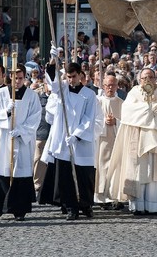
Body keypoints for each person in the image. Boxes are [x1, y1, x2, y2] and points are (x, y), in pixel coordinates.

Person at [106, 67, 157, 216]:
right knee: (138, 173)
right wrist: (148, 111)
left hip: (156, 139)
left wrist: (151, 112)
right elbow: (127, 112)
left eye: (151, 77)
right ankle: (137, 206)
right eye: (145, 77)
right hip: (137, 138)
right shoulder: (134, 93)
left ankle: (152, 206)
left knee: (154, 175)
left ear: (155, 79)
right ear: (139, 80)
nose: (148, 80)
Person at [41, 50, 97, 221]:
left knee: (83, 175)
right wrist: (53, 60)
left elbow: (89, 118)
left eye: (74, 76)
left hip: (81, 142)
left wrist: (77, 135)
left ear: (81, 75)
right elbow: (52, 80)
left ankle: (85, 205)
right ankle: (71, 206)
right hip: (63, 140)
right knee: (65, 176)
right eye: (68, 76)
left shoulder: (89, 95)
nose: (71, 79)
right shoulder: (63, 89)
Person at [0, 65, 41, 221]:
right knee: (3, 171)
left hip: (22, 141)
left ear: (25, 78)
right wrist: (5, 112)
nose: (17, 81)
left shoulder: (32, 96)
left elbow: (35, 117)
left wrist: (22, 130)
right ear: (9, 77)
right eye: (14, 78)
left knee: (21, 173)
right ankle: (0, 206)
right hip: (4, 138)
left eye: (20, 78)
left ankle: (20, 209)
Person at [94, 75, 123, 206]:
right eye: (107, 85)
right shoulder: (97, 102)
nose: (110, 88)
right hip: (102, 139)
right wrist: (104, 122)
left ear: (117, 86)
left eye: (113, 85)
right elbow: (93, 119)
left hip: (117, 139)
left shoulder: (122, 103)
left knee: (117, 167)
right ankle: (101, 197)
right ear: (103, 86)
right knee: (102, 167)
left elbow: (127, 122)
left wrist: (116, 121)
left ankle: (115, 196)